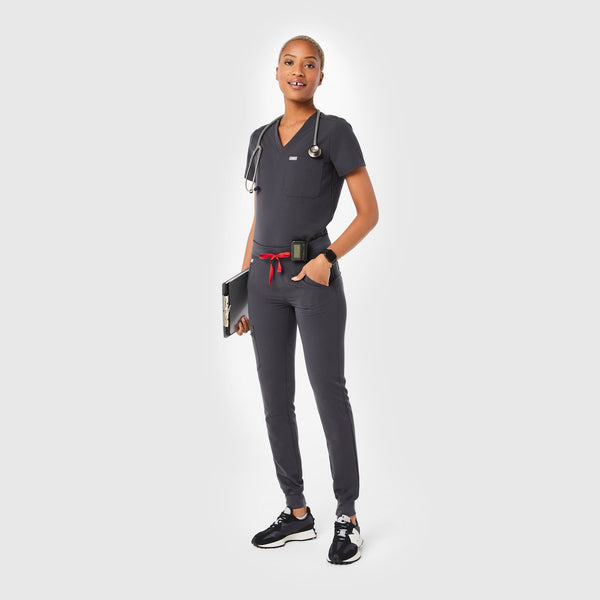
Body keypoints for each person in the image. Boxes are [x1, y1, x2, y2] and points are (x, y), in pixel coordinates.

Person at [235, 35, 378, 565]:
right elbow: (259, 218)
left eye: (309, 64)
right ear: (276, 72)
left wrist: (328, 259)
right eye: (289, 62)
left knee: (328, 394)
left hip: (314, 279)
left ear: (321, 75)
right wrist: (242, 290)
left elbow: (368, 212)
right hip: (264, 283)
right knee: (275, 400)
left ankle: (348, 515)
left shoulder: (333, 132)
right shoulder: (258, 139)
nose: (299, 71)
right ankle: (297, 512)